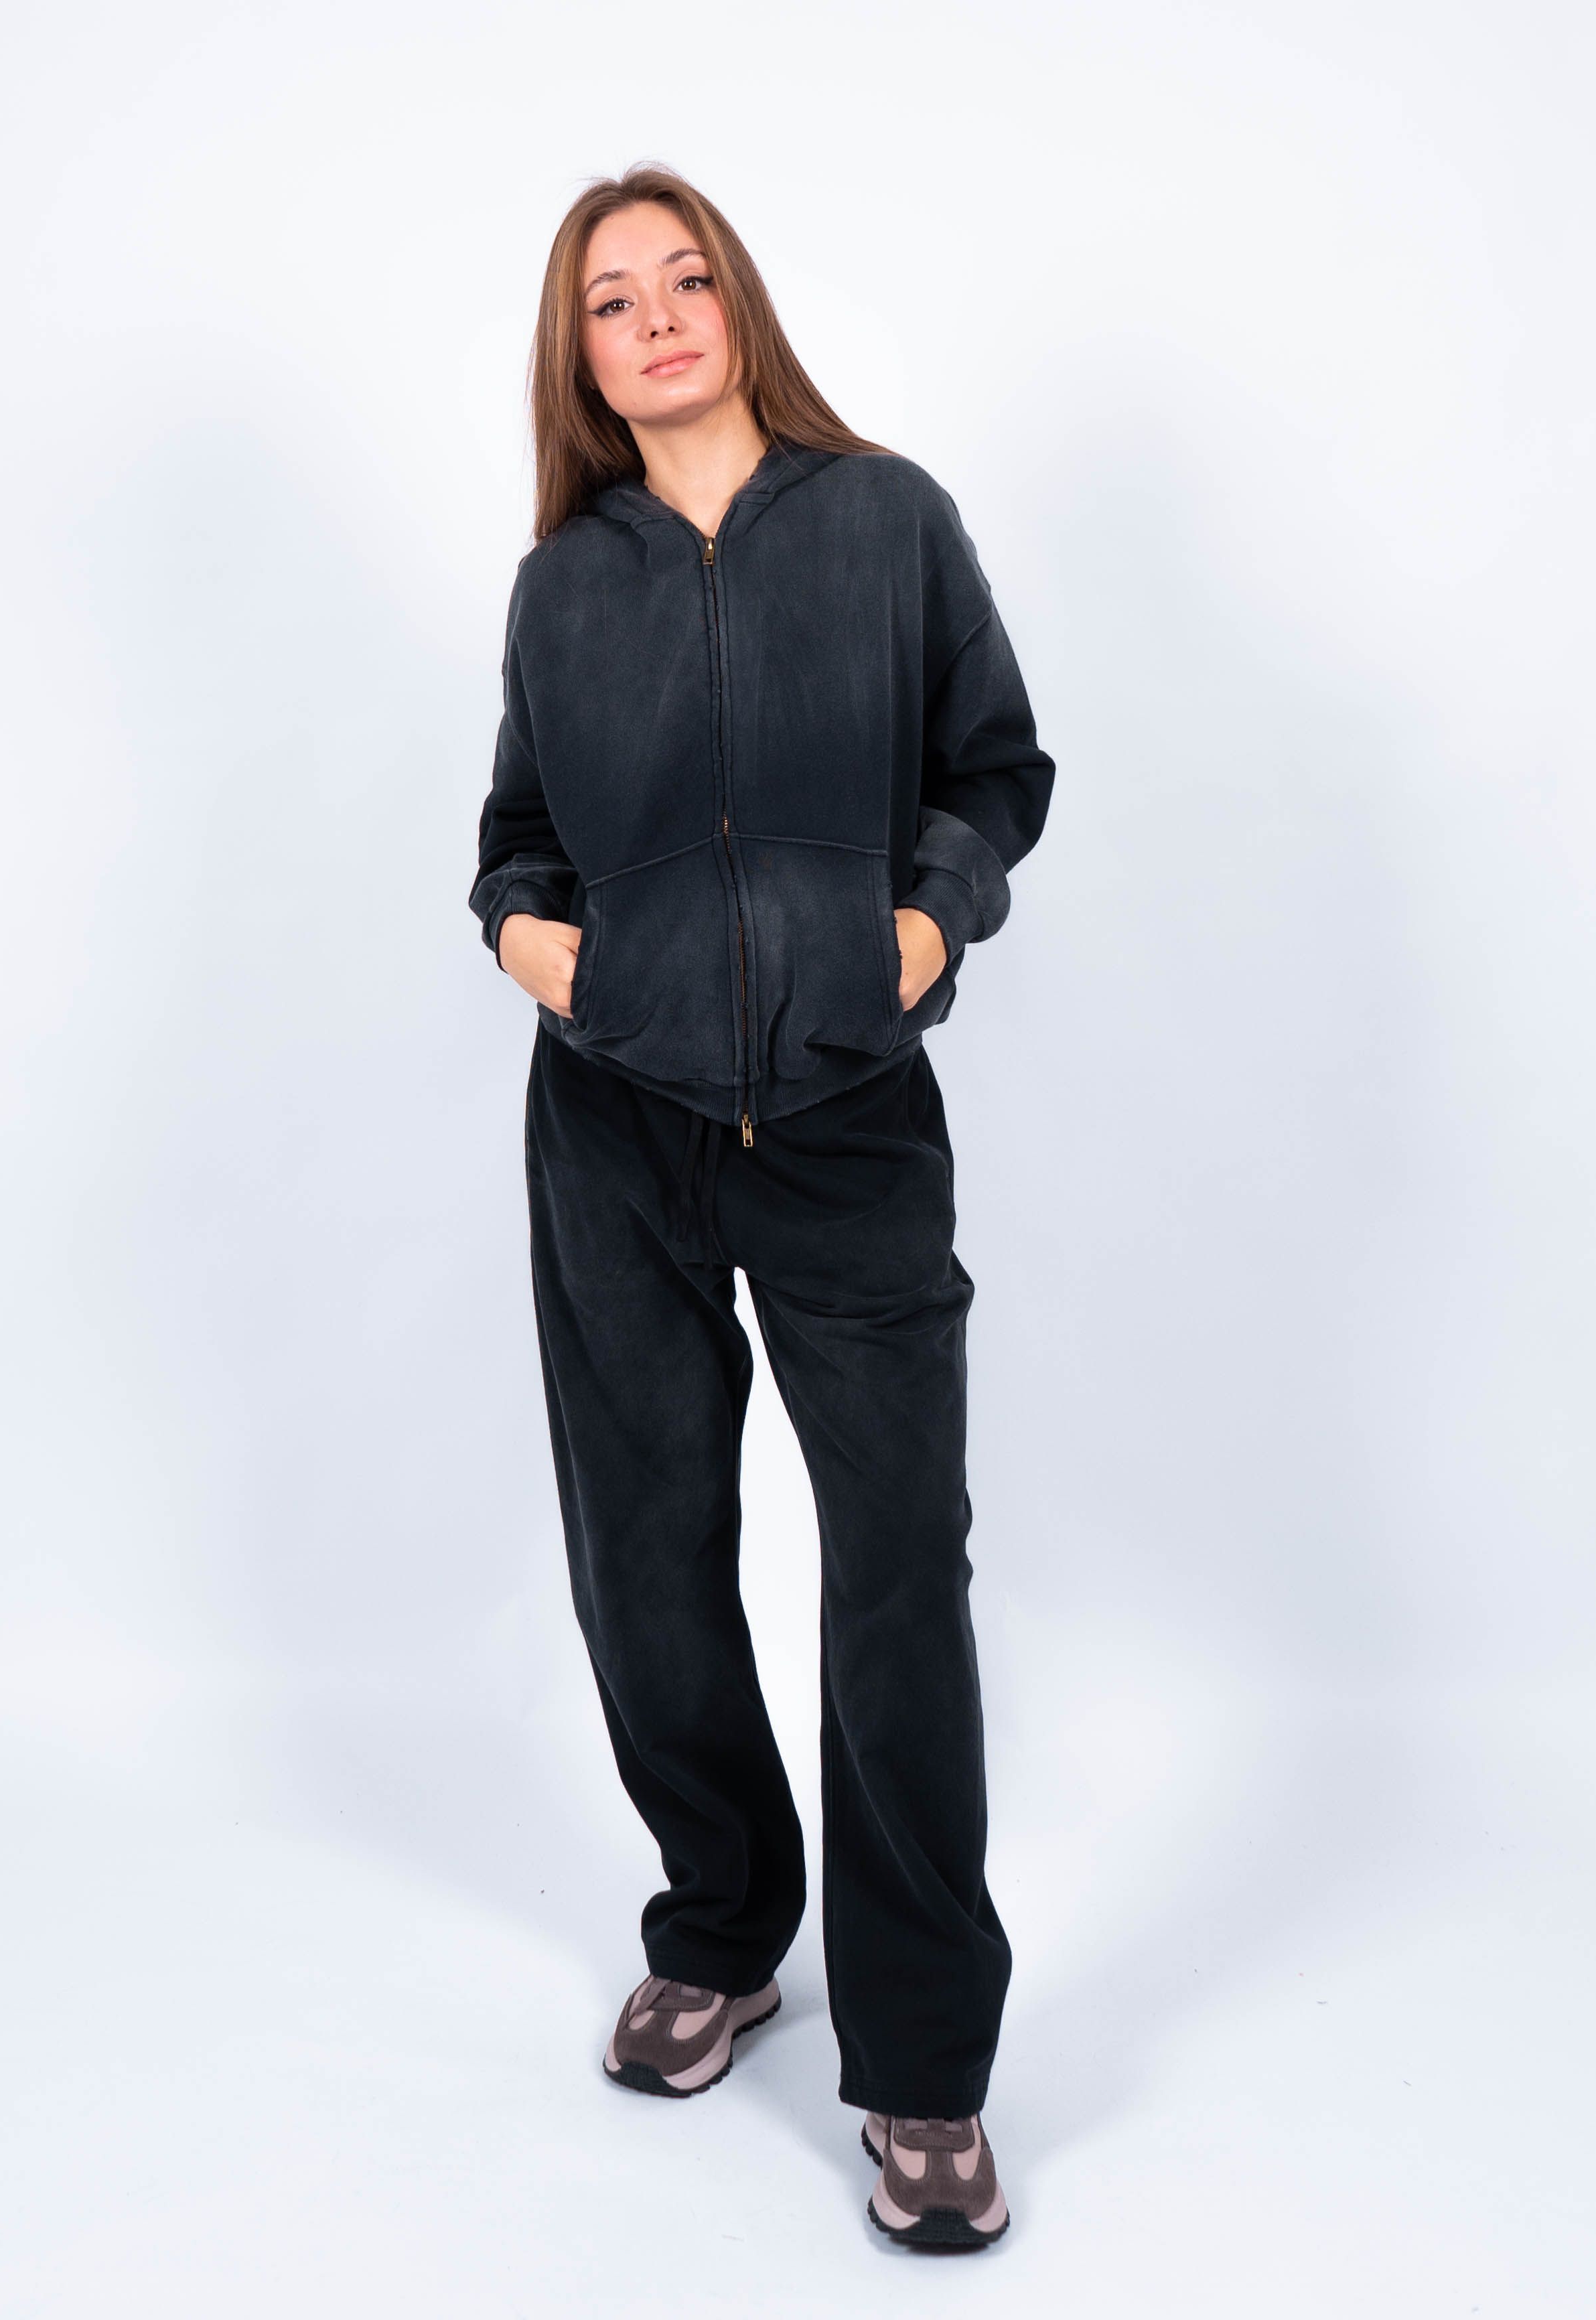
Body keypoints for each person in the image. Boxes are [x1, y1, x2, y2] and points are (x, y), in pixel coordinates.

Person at [468, 163, 1056, 2252]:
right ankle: (722, 1928)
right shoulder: (563, 585)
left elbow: (997, 771)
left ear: (739, 306)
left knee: (896, 1573)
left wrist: (918, 932)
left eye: (685, 277)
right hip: (612, 1120)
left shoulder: (887, 520)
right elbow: (518, 833)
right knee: (644, 1553)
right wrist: (532, 941)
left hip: (846, 1114)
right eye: (611, 298)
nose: (654, 316)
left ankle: (925, 2067)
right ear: (581, 358)